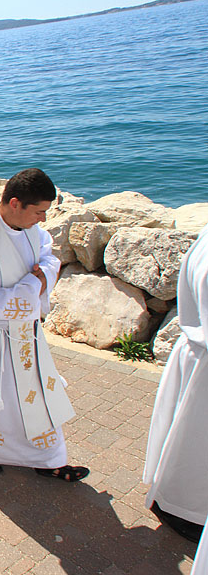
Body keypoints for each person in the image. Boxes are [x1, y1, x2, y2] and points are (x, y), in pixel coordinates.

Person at [0, 168, 88, 481]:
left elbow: (47, 256)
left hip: (25, 333)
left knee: (37, 396)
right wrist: (32, 287)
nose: (43, 220)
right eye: (39, 212)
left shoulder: (29, 227)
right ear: (15, 203)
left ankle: (47, 457)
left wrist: (41, 280)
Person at [143, 224, 208, 543]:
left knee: (185, 438)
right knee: (192, 443)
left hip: (197, 355)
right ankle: (180, 508)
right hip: (202, 360)